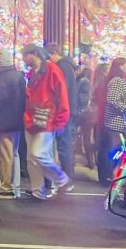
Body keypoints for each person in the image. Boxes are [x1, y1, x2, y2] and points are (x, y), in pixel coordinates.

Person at [22, 43, 71, 200]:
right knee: (32, 158)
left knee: (38, 153)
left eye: (25, 55)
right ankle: (38, 191)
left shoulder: (52, 70)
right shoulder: (33, 72)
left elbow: (62, 94)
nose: (23, 59)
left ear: (34, 54)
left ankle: (61, 179)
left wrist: (61, 119)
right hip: (33, 118)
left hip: (46, 118)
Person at [0, 49, 26, 199]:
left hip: (4, 121)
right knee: (14, 154)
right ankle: (14, 184)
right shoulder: (19, 77)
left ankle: (6, 187)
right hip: (17, 121)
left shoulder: (3, 80)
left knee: (4, 155)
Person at [46, 44, 76, 180]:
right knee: (64, 143)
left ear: (52, 54)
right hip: (68, 109)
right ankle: (66, 174)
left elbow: (62, 90)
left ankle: (66, 176)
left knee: (64, 144)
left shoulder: (61, 67)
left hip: (64, 110)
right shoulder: (67, 66)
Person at [100, 57, 126, 185]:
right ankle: (112, 174)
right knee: (116, 150)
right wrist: (125, 109)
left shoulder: (116, 80)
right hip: (116, 121)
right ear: (121, 66)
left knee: (116, 149)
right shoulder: (118, 81)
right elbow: (112, 99)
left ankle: (112, 174)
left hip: (114, 121)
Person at [74, 66, 94, 169]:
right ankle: (90, 162)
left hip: (78, 112)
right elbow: (84, 98)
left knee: (77, 136)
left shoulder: (78, 80)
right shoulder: (86, 81)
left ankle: (73, 159)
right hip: (84, 113)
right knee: (87, 138)